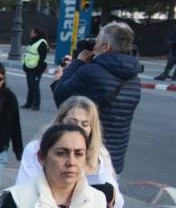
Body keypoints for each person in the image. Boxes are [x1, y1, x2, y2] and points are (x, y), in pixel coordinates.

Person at [52, 21, 142, 173]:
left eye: (97, 40)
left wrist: (78, 63)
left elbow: (61, 98)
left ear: (106, 47)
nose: (93, 45)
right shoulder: (134, 79)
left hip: (88, 156)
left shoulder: (91, 72)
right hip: (114, 158)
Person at [16, 96, 123, 208]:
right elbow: (23, 189)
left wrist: (109, 193)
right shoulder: (37, 148)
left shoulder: (99, 153)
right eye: (72, 122)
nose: (78, 127)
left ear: (92, 129)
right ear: (60, 121)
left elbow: (117, 204)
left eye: (85, 124)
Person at [22, 28, 50, 110]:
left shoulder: (42, 43)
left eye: (32, 33)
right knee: (30, 86)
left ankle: (36, 104)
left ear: (36, 34)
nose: (30, 34)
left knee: (34, 86)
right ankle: (29, 103)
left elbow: (42, 57)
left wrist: (38, 68)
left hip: (36, 68)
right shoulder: (33, 42)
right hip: (29, 67)